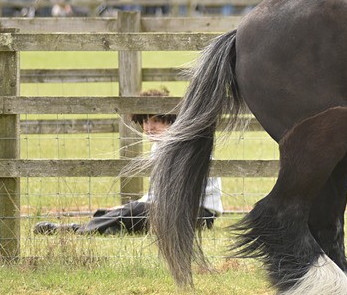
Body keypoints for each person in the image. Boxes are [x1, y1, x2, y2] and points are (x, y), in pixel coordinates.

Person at [34, 89, 222, 235]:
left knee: (134, 210)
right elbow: (158, 193)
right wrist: (131, 206)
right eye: (144, 122)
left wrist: (135, 207)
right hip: (174, 210)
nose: (148, 128)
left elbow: (175, 194)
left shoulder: (182, 145)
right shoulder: (160, 146)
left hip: (198, 213)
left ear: (170, 120)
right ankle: (111, 227)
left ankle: (74, 229)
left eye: (155, 121)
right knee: (120, 211)